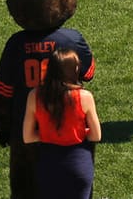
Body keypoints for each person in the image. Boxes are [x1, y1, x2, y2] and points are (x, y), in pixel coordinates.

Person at [22, 47, 101, 199]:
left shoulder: (34, 96)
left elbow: (28, 136)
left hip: (48, 165)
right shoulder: (85, 97)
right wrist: (77, 133)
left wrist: (48, 134)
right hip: (78, 164)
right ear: (75, 69)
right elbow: (96, 135)